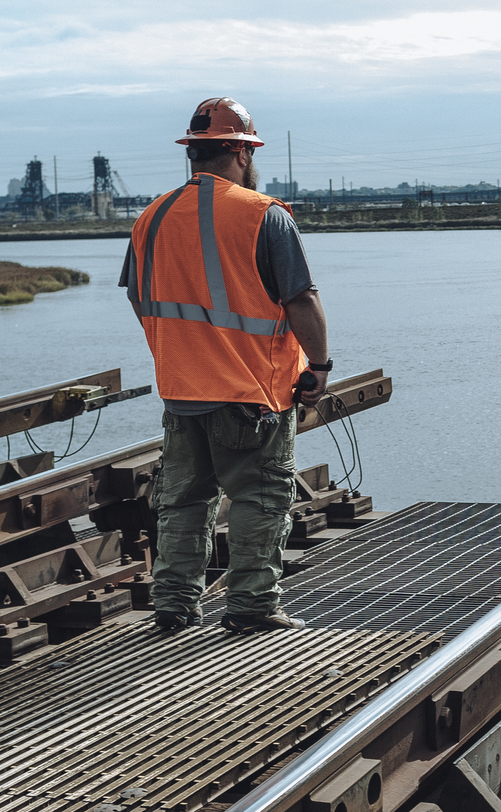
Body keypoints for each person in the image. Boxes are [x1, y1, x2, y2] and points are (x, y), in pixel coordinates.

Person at [119, 97, 332, 633]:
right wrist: (321, 366)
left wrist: (179, 353)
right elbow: (300, 299)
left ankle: (172, 606)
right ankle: (252, 608)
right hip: (252, 390)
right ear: (241, 150)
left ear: (193, 152)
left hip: (183, 389)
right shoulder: (263, 214)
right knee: (259, 496)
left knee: (184, 500)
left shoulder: (152, 216)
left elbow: (139, 298)